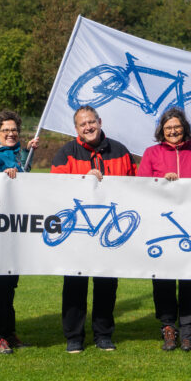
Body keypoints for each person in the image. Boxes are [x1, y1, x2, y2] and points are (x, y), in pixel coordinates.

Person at [50, 105, 137, 353]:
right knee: (75, 285)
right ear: (76, 128)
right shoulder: (66, 153)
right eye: (82, 124)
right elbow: (54, 188)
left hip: (110, 229)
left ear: (99, 121)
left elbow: (135, 185)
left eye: (91, 122)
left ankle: (103, 334)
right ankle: (74, 336)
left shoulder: (120, 151)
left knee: (107, 284)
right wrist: (82, 181)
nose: (88, 127)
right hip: (77, 232)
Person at [138, 108, 191, 352]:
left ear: (184, 127)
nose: (173, 131)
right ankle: (168, 328)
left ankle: (187, 330)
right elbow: (141, 185)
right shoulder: (151, 153)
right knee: (162, 278)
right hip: (161, 225)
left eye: (176, 126)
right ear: (161, 131)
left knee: (189, 279)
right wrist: (162, 181)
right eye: (168, 128)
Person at [0, 110, 39, 354]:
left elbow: (23, 176)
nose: (11, 133)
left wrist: (28, 152)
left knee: (10, 284)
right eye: (5, 130)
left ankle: (8, 331)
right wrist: (3, 178)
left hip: (16, 228)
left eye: (14, 130)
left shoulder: (16, 154)